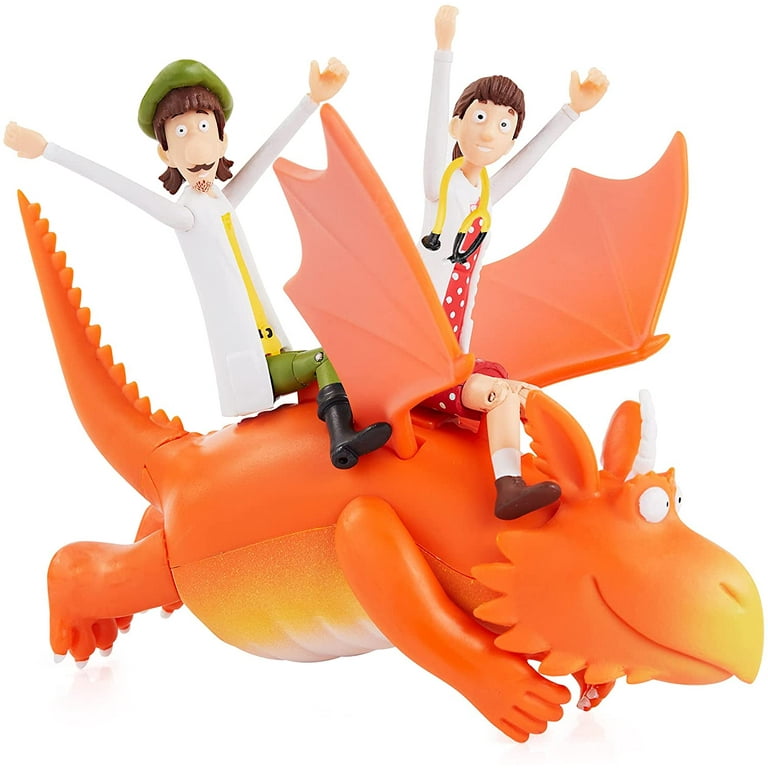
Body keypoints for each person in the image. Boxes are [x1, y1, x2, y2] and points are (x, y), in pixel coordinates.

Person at [5, 58, 391, 470]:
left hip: (274, 348)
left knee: (337, 356)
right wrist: (47, 150)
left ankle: (343, 426)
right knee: (326, 359)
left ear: (222, 139)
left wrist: (311, 100)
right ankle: (341, 441)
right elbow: (120, 186)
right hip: (255, 368)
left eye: (204, 126)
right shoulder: (186, 214)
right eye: (181, 132)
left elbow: (264, 157)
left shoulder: (220, 201)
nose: (196, 143)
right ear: (165, 152)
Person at [420, 6, 608, 517]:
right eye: (481, 118)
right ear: (458, 123)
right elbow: (434, 131)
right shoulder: (439, 188)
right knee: (504, 392)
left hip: (454, 355)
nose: (490, 132)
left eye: (504, 125)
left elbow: (528, 163)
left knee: (525, 393)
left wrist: (570, 112)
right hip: (420, 366)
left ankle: (533, 484)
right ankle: (509, 487)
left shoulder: (482, 195)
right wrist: (443, 50)